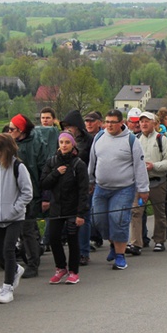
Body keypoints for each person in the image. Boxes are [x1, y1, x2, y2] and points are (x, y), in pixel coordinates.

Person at [88, 109, 150, 271]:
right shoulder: (99, 137)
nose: (109, 125)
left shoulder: (130, 141)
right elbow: (92, 161)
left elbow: (139, 166)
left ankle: (120, 256)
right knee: (98, 219)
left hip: (123, 188)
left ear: (121, 123)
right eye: (107, 122)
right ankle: (114, 245)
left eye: (113, 122)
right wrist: (90, 180)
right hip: (101, 187)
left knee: (119, 218)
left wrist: (143, 189)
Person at [0, 134, 32, 303]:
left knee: (8, 249)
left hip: (15, 218)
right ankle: (15, 269)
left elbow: (27, 192)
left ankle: (7, 287)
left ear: (4, 149)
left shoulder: (18, 167)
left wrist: (14, 209)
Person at [41, 132, 89, 284]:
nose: (64, 145)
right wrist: (56, 173)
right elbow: (43, 183)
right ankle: (61, 267)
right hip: (56, 208)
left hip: (73, 209)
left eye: (67, 142)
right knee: (54, 238)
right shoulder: (52, 161)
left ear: (73, 145)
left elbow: (83, 190)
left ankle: (74, 271)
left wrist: (81, 213)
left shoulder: (78, 164)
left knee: (72, 239)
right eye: (61, 142)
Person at [8, 113, 48, 278]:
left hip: (32, 193)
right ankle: (34, 251)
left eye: (11, 129)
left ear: (20, 130)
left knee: (27, 229)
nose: (8, 131)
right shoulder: (11, 144)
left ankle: (33, 264)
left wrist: (46, 196)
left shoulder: (36, 145)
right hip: (13, 194)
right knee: (23, 229)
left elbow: (44, 171)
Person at [129, 112, 167, 253]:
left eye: (146, 121)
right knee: (136, 212)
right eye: (141, 121)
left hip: (158, 182)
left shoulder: (162, 139)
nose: (143, 124)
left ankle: (159, 240)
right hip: (140, 184)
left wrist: (154, 166)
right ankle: (136, 243)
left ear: (154, 123)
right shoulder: (135, 140)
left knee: (159, 212)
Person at [60, 110, 94, 265]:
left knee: (84, 218)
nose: (68, 129)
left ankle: (84, 252)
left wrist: (92, 181)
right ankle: (74, 250)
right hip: (66, 184)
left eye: (70, 126)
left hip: (84, 182)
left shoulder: (90, 140)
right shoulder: (62, 140)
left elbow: (94, 161)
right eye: (65, 127)